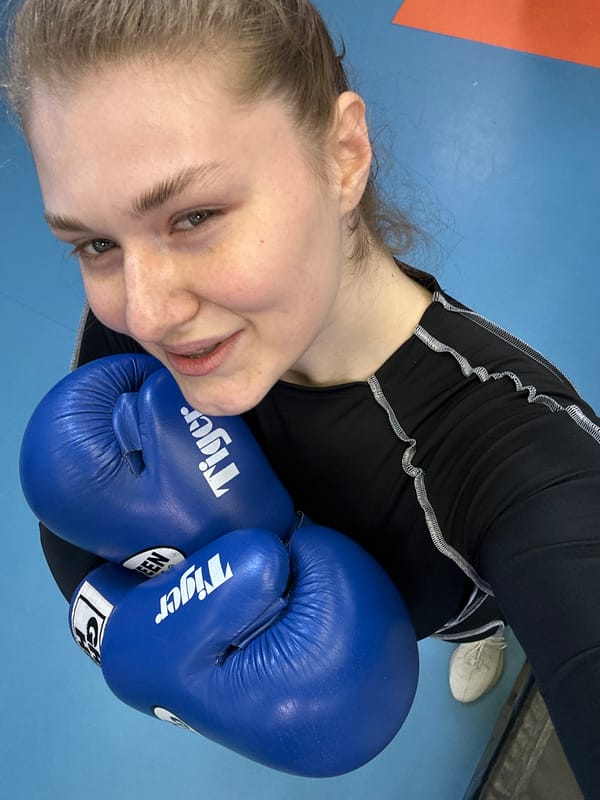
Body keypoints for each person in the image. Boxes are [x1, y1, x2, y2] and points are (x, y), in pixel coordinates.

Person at [2, 0, 599, 793]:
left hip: (484, 578)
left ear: (343, 152)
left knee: (478, 609)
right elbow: (73, 521)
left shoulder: (514, 449)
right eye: (96, 243)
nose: (143, 312)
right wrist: (129, 639)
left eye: (194, 216)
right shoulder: (133, 338)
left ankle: (485, 628)